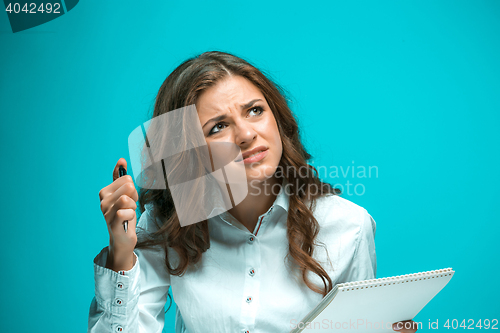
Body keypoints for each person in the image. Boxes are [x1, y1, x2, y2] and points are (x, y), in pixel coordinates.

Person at [88, 51, 419, 333]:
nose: (246, 134)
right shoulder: (166, 223)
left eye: (255, 110)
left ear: (277, 117)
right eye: (218, 126)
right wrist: (121, 255)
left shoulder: (349, 226)